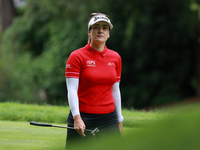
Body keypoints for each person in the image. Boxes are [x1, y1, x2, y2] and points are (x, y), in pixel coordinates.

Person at [65, 12, 123, 148]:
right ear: (89, 32)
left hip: (109, 119)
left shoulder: (115, 58)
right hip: (84, 117)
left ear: (109, 33)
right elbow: (71, 90)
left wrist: (119, 120)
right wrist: (77, 118)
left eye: (104, 27)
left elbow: (115, 90)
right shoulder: (77, 56)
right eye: (96, 27)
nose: (100, 30)